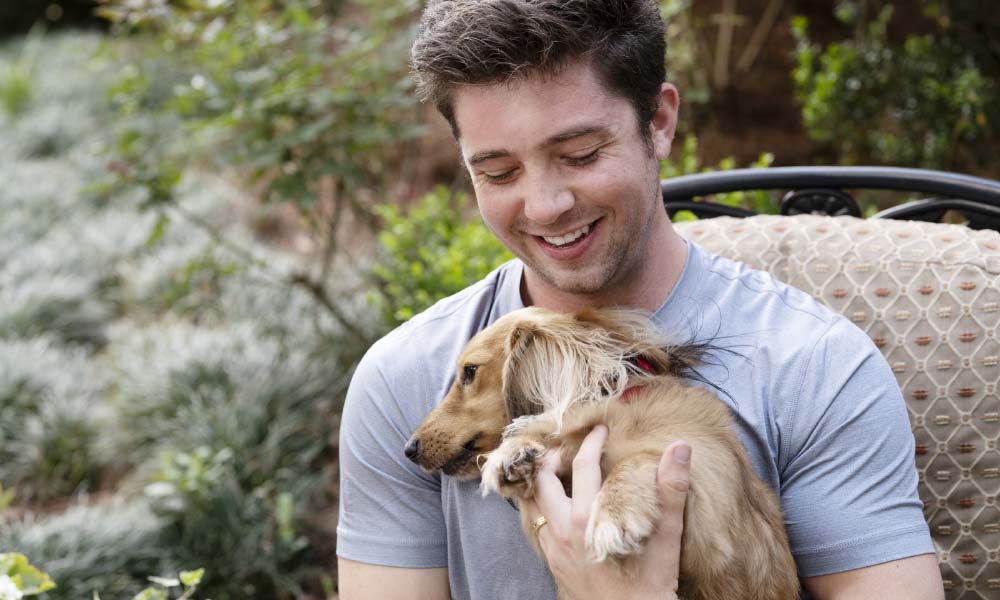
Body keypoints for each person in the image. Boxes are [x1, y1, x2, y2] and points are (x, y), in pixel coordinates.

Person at [336, 1, 943, 598]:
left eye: (580, 155)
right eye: (498, 172)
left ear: (659, 123)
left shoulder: (816, 366)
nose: (546, 206)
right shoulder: (401, 380)